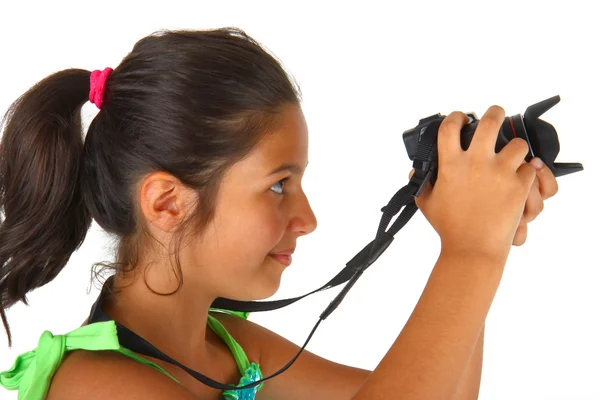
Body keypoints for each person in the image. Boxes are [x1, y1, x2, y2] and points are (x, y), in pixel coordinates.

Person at [0, 27, 558, 400]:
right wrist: (470, 252)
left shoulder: (235, 347)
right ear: (167, 202)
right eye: (278, 185)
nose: (307, 217)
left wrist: (490, 233)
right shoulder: (96, 386)